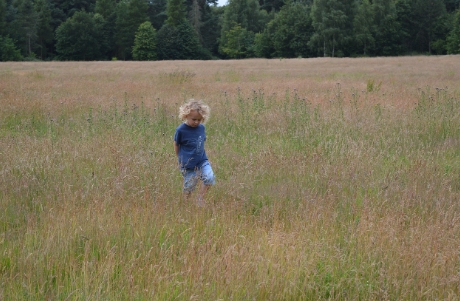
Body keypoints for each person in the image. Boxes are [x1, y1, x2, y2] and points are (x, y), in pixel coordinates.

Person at [174, 100, 215, 207]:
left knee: (209, 178)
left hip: (202, 161)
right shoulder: (181, 130)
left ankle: (200, 199)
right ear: (186, 115)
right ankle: (185, 205)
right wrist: (180, 159)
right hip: (188, 164)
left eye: (199, 120)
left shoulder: (201, 128)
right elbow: (176, 144)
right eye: (194, 119)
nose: (196, 122)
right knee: (189, 186)